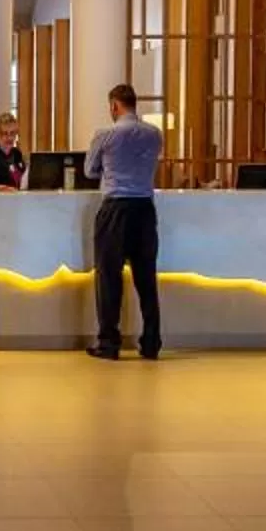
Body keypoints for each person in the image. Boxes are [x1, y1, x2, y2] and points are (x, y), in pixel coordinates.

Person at [81, 83, 162, 360]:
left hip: (115, 209)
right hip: (144, 210)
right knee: (146, 278)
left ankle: (109, 342)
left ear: (114, 106)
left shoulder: (105, 135)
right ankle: (151, 342)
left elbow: (90, 171)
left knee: (109, 277)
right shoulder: (155, 135)